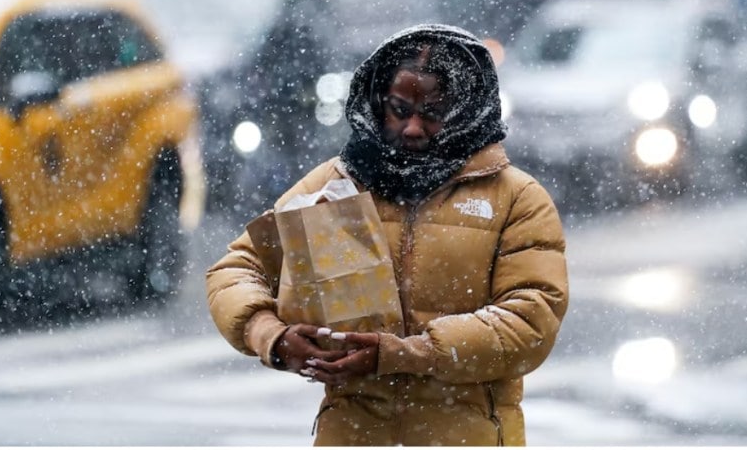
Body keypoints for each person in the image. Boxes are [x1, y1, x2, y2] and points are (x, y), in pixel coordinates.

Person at [206, 24, 569, 445]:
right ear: (378, 104)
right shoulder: (338, 183)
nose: (413, 127)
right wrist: (273, 338)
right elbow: (235, 269)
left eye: (433, 113)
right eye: (400, 109)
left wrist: (404, 354)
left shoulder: (516, 198)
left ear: (469, 110)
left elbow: (530, 323)